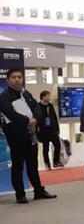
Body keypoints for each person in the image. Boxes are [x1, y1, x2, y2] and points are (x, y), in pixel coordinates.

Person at [0, 69, 57, 204]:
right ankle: (20, 194)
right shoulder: (4, 97)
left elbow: (37, 109)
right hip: (16, 135)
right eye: (14, 77)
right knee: (18, 165)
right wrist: (28, 120)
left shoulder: (26, 94)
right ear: (8, 80)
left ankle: (38, 190)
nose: (17, 79)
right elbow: (10, 114)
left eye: (19, 77)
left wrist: (35, 120)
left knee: (33, 164)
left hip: (31, 134)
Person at [35, 90, 62, 170]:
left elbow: (54, 117)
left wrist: (57, 129)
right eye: (48, 96)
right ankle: (47, 164)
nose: (49, 98)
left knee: (58, 145)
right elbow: (36, 120)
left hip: (52, 129)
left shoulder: (50, 105)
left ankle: (56, 162)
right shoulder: (37, 106)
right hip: (44, 130)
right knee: (45, 148)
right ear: (43, 97)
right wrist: (37, 133)